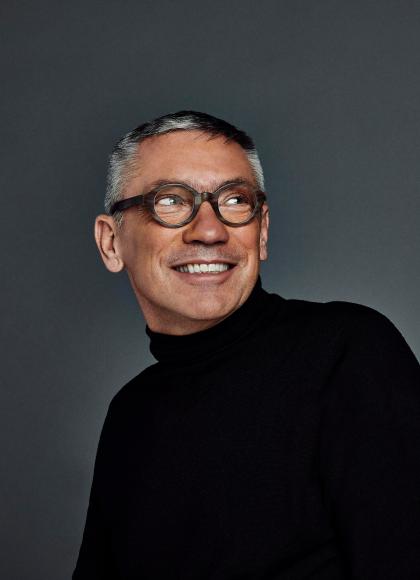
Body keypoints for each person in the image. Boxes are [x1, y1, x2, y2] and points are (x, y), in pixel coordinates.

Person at [73, 111, 420, 579]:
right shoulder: (131, 414)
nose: (210, 230)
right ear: (111, 242)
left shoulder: (347, 353)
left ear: (263, 231)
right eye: (170, 200)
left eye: (235, 200)